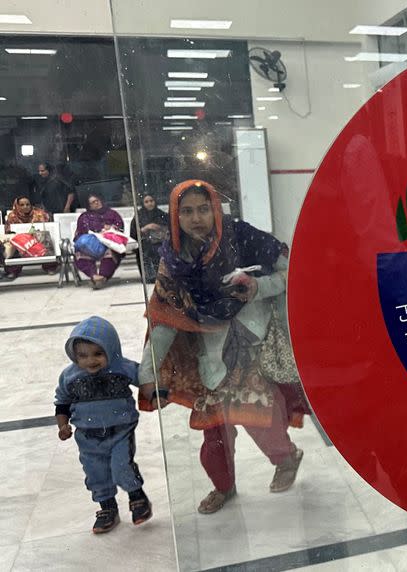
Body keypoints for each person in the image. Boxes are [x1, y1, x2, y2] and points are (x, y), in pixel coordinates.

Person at [138, 179, 308, 514]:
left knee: (260, 418)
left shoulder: (243, 239)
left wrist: (257, 286)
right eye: (186, 211)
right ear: (175, 216)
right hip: (209, 358)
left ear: (216, 209)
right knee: (213, 431)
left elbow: (292, 275)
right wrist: (148, 370)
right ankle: (223, 485)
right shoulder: (172, 261)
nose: (196, 217)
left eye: (203, 208)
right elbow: (165, 318)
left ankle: (286, 458)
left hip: (248, 346)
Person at [54, 316, 157, 533]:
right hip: (87, 437)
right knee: (96, 473)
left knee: (122, 467)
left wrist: (157, 394)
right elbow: (62, 402)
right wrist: (63, 426)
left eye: (98, 354)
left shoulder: (122, 368)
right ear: (74, 355)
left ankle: (137, 498)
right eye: (82, 355)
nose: (90, 360)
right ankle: (107, 507)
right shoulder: (69, 376)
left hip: (120, 431)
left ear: (111, 349)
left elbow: (145, 378)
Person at [73, 193, 124, 289]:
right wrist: (100, 228)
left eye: (97, 200)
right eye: (92, 202)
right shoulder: (84, 216)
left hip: (108, 243)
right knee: (81, 252)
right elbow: (82, 229)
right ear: (89, 205)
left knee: (111, 252)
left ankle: (102, 276)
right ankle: (94, 276)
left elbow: (119, 227)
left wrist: (111, 228)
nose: (96, 203)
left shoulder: (112, 213)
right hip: (91, 245)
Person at [2, 195, 58, 279]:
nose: (25, 207)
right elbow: (8, 232)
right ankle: (13, 271)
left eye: (28, 204)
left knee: (46, 242)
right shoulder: (12, 216)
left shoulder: (39, 214)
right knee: (12, 245)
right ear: (17, 206)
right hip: (20, 242)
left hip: (37, 240)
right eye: (22, 205)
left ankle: (50, 267)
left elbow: (46, 228)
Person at [130, 193, 169, 283]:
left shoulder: (161, 214)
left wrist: (158, 228)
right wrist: (145, 228)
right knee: (145, 251)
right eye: (146, 202)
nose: (149, 203)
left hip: (159, 242)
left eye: (151, 201)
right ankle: (149, 276)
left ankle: (161, 275)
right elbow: (133, 233)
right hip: (144, 244)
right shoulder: (139, 216)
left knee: (160, 250)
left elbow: (168, 229)